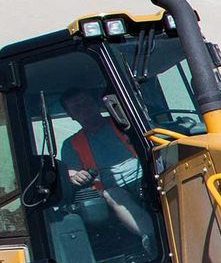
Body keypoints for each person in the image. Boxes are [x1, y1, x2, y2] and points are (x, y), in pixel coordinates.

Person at [58, 88, 155, 243]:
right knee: (112, 195)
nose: (84, 109)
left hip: (147, 174)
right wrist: (76, 177)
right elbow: (72, 173)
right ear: (71, 115)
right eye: (77, 107)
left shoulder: (125, 123)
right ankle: (151, 239)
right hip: (113, 188)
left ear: (96, 104)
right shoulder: (71, 144)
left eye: (86, 103)